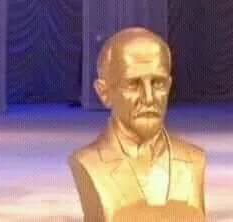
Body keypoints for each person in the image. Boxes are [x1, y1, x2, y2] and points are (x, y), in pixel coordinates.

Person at [68, 27, 206, 222]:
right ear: (104, 93)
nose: (149, 98)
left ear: (168, 86)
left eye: (158, 83)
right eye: (133, 84)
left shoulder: (194, 160)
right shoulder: (89, 162)